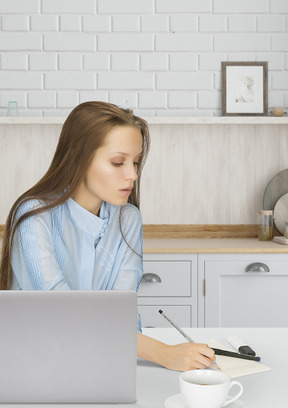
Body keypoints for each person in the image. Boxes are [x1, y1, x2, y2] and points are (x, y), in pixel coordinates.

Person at [0, 101, 215, 372]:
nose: (133, 175)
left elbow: (122, 309)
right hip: (35, 364)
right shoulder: (33, 217)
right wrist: (161, 353)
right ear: (80, 158)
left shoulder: (128, 219)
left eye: (135, 162)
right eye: (118, 162)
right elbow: (58, 311)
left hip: (104, 361)